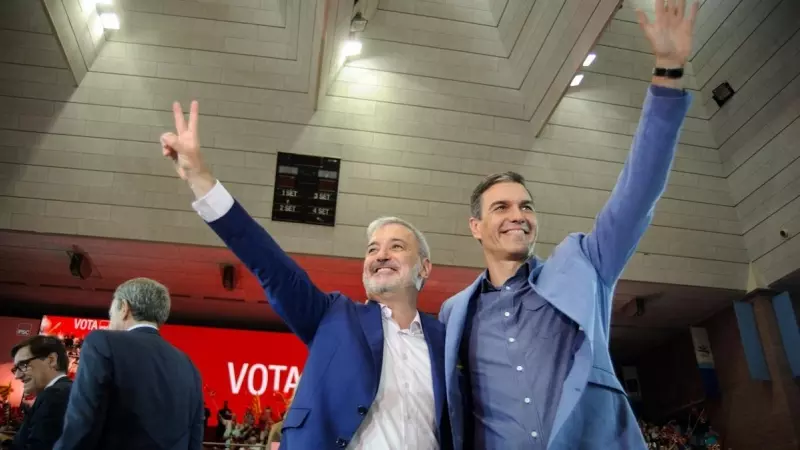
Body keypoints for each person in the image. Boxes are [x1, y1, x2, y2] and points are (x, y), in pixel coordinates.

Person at [439, 1, 698, 449]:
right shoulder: (453, 314)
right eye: (500, 208)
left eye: (525, 205)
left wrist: (668, 71)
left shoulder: (583, 264)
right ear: (475, 227)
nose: (517, 214)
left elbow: (636, 195)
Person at [158, 105, 449, 449]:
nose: (380, 255)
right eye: (372, 249)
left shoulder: (448, 341)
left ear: (425, 268)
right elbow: (270, 263)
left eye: (396, 246)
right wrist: (201, 180)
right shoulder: (334, 316)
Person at [54, 278, 205, 450]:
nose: (110, 322)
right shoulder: (187, 364)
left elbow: (83, 420)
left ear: (124, 308)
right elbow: (195, 436)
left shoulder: (102, 342)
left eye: (111, 315)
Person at [10, 335, 71, 450]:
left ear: (51, 360)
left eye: (23, 365)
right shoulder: (64, 391)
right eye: (15, 369)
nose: (17, 376)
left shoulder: (54, 395)